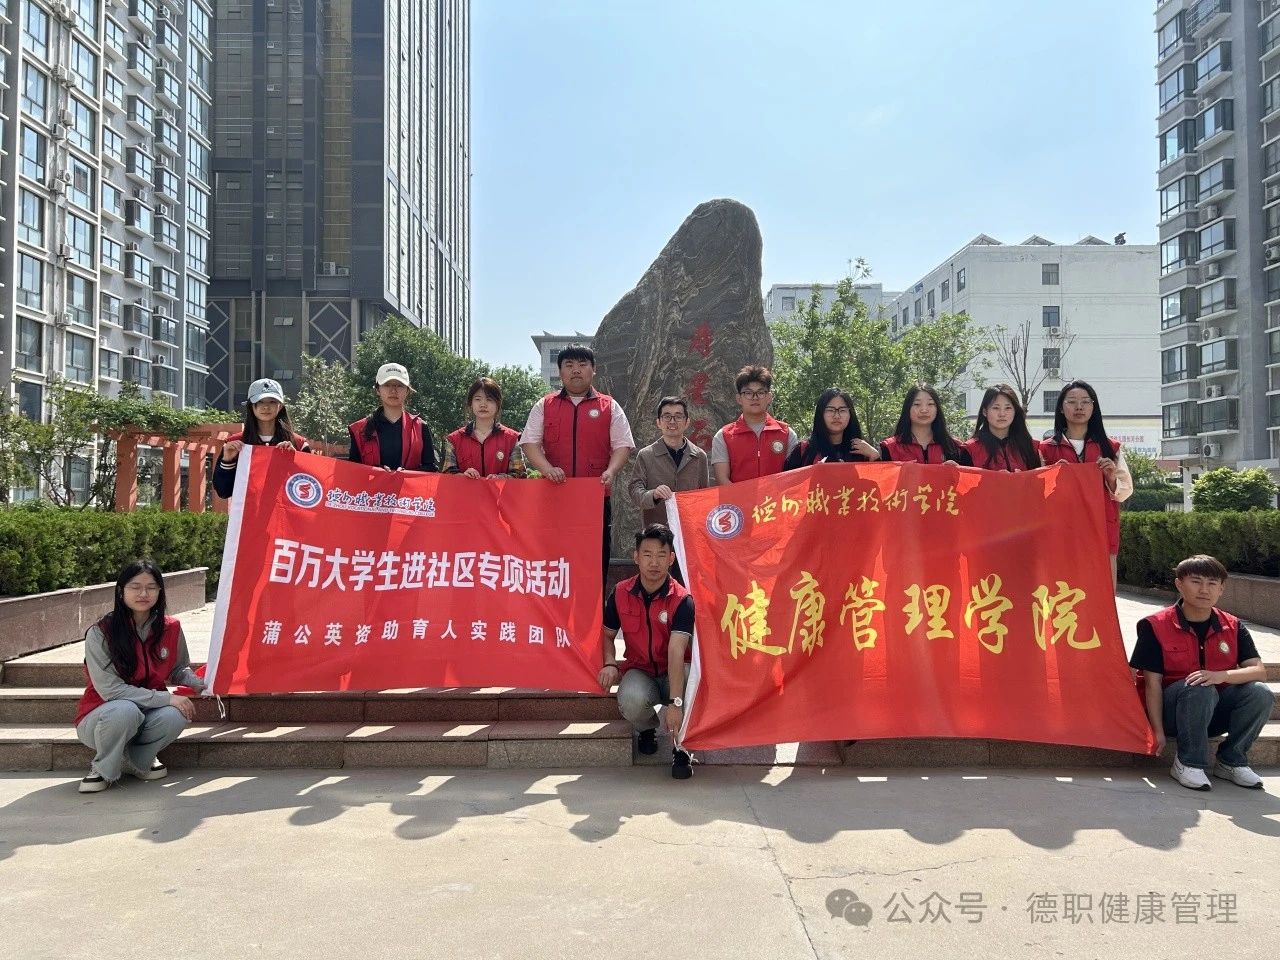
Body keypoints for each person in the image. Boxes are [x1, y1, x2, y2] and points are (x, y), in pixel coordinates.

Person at [1129, 555, 1275, 792]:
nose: (1204, 590)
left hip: (1211, 713)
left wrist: (1222, 675)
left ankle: (1231, 761)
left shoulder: (1233, 625)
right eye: (1196, 581)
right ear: (1179, 584)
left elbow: (1259, 671)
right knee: (1199, 685)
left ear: (1221, 589)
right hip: (1172, 715)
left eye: (1212, 583)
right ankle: (1188, 763)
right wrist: (1157, 732)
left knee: (1260, 692)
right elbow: (1152, 684)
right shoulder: (1155, 625)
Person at [73, 561, 204, 793]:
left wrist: (201, 683)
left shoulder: (171, 627)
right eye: (135, 587)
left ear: (160, 591)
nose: (143, 594)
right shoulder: (101, 632)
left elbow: (177, 668)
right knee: (125, 710)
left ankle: (138, 761)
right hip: (103, 717)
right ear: (120, 591)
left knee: (177, 714)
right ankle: (103, 769)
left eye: (151, 587)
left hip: (147, 714)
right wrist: (166, 698)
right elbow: (111, 690)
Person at [519, 344, 635, 587]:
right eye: (569, 365)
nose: (576, 370)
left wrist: (611, 470)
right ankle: (554, 608)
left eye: (582, 365)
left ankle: (593, 610)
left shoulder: (609, 406)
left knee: (594, 561)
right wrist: (547, 469)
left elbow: (623, 445)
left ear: (593, 370)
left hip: (594, 499)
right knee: (552, 559)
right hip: (553, 497)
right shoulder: (545, 405)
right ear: (560, 371)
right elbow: (529, 443)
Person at [596, 524, 695, 780]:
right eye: (647, 554)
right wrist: (610, 662)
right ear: (636, 557)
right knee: (630, 698)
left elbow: (676, 651)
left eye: (661, 555)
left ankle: (681, 747)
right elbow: (607, 634)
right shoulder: (620, 593)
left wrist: (675, 703)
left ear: (671, 558)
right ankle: (647, 728)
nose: (654, 562)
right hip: (640, 670)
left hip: (675, 671)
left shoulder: (682, 600)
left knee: (692, 686)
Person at [1038, 380, 1132, 584]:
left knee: (1101, 594)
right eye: (1072, 401)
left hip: (1101, 532)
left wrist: (1110, 477)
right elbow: (1036, 495)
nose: (1079, 407)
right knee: (1062, 594)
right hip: (1060, 534)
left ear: (1093, 407)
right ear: (1061, 408)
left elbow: (1124, 491)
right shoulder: (1046, 449)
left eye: (1085, 402)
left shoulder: (1110, 448)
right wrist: (1052, 475)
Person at [627, 396, 711, 585]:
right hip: (656, 535)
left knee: (686, 584)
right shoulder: (646, 455)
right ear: (658, 422)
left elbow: (703, 496)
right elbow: (634, 490)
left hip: (688, 536)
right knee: (656, 583)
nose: (672, 421)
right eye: (667, 416)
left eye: (678, 416)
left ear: (687, 422)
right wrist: (653, 494)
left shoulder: (699, 456)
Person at [213, 378, 311, 498]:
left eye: (272, 402)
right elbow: (223, 492)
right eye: (260, 402)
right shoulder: (234, 444)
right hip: (248, 510)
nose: (266, 407)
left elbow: (309, 490)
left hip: (285, 509)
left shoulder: (299, 444)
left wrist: (295, 461)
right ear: (251, 406)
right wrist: (227, 460)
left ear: (280, 406)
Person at [711, 365, 799, 484]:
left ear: (769, 397)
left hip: (778, 496)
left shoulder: (787, 434)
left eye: (760, 392)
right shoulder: (723, 436)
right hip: (739, 496)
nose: (755, 398)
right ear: (739, 398)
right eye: (748, 393)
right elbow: (722, 479)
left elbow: (794, 476)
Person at [348, 362, 439, 471]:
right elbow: (352, 471)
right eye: (387, 385)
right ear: (378, 390)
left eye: (399, 385)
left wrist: (407, 473)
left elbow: (430, 469)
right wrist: (376, 471)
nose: (393, 390)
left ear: (407, 391)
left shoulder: (421, 427)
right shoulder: (359, 429)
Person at [441, 377, 526, 478]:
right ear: (471, 403)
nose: (483, 404)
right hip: (465, 489)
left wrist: (499, 479)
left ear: (498, 404)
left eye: (489, 399)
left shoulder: (512, 438)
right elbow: (447, 476)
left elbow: (520, 475)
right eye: (478, 399)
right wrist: (463, 476)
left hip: (499, 489)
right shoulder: (454, 439)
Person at [784, 387, 881, 468]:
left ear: (850, 414)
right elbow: (789, 481)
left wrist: (875, 456)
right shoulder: (804, 451)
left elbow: (880, 482)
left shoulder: (862, 450)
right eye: (830, 410)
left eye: (842, 410)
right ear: (820, 414)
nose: (837, 416)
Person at [879, 382, 972, 465]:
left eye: (930, 404)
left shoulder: (955, 447)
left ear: (937, 409)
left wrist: (957, 472)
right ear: (907, 409)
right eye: (917, 404)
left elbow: (967, 478)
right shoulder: (890, 448)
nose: (924, 410)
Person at [961, 384, 1042, 472]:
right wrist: (996, 478)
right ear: (985, 412)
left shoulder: (1031, 447)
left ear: (1015, 411)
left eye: (1008, 408)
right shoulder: (970, 449)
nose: (1002, 414)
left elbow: (1040, 479)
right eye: (996, 408)